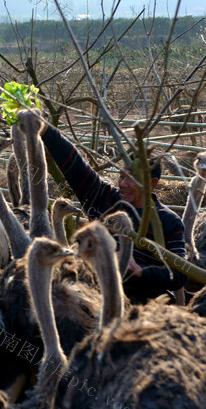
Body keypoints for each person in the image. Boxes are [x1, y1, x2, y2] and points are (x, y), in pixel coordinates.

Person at [35, 114, 186, 303]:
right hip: (93, 294)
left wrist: (140, 271)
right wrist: (45, 128)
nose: (122, 184)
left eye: (131, 178)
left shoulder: (168, 221)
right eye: (121, 176)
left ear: (152, 183)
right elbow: (74, 164)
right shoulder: (103, 198)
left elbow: (179, 275)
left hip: (144, 302)